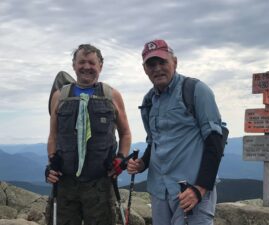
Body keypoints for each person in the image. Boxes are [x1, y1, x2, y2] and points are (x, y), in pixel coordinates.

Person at [127, 39, 226, 225]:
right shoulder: (148, 101)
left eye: (162, 62)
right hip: (159, 192)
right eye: (151, 64)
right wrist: (142, 164)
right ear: (144, 69)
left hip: (190, 192)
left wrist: (200, 189)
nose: (157, 69)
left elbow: (215, 141)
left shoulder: (196, 90)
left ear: (175, 62)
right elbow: (154, 142)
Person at [46, 44, 131, 225]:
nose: (86, 67)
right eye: (81, 62)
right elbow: (53, 136)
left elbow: (125, 134)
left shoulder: (111, 95)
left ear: (100, 65)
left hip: (100, 181)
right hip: (65, 181)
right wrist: (51, 163)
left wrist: (121, 158)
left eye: (92, 63)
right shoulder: (60, 96)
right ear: (74, 65)